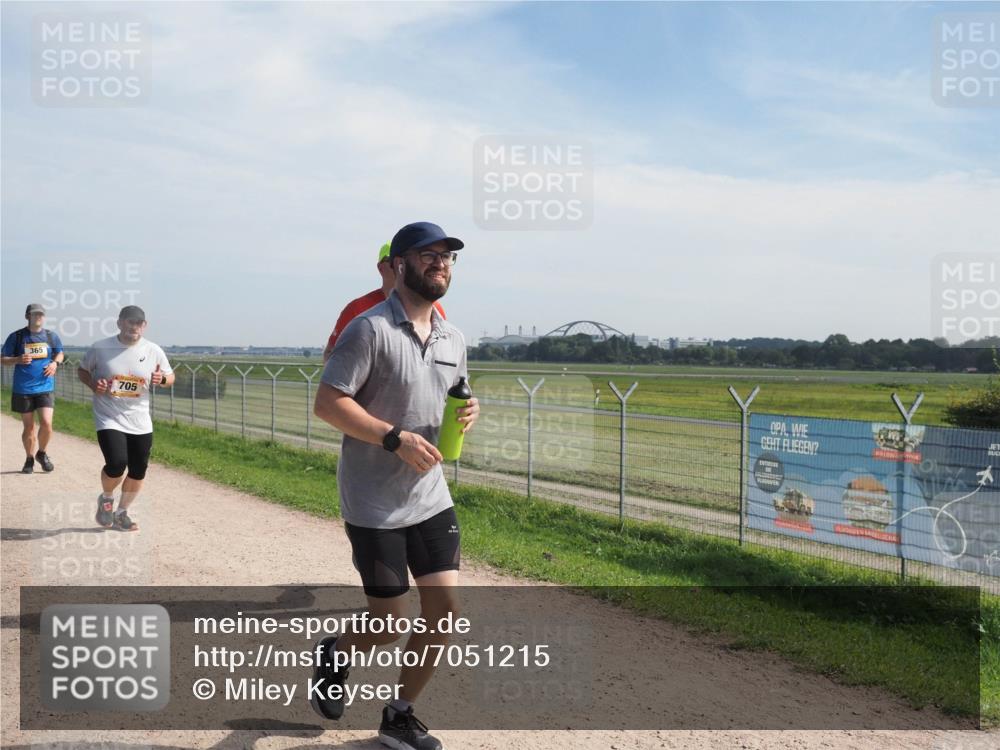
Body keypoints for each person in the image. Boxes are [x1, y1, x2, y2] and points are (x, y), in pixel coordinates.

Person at [311, 222, 479, 750]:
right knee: (386, 625)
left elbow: (451, 395)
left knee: (444, 614)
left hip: (430, 496)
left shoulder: (453, 338)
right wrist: (393, 438)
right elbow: (328, 403)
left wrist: (468, 411)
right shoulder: (369, 329)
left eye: (448, 257)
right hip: (373, 501)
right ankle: (335, 651)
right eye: (428, 255)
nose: (441, 264)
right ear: (400, 264)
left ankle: (399, 717)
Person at [77, 305, 174, 532]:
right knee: (117, 463)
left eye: (138, 323)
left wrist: (161, 379)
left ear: (144, 326)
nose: (134, 327)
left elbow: (170, 377)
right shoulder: (101, 348)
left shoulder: (153, 350)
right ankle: (107, 498)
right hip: (108, 416)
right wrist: (93, 383)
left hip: (140, 420)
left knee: (138, 469)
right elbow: (82, 371)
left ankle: (121, 513)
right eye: (130, 322)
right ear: (119, 323)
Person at [323, 242, 446, 362]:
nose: (400, 265)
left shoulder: (434, 309)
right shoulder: (357, 308)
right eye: (393, 260)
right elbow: (330, 353)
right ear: (381, 268)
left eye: (406, 259)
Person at [1, 303, 65, 473]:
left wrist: (55, 363)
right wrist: (17, 359)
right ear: (27, 316)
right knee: (29, 427)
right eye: (34, 314)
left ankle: (41, 453)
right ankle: (29, 459)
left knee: (46, 424)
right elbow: (2, 358)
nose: (38, 317)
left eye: (41, 314)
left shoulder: (51, 336)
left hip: (45, 387)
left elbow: (60, 353)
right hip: (23, 389)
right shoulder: (17, 337)